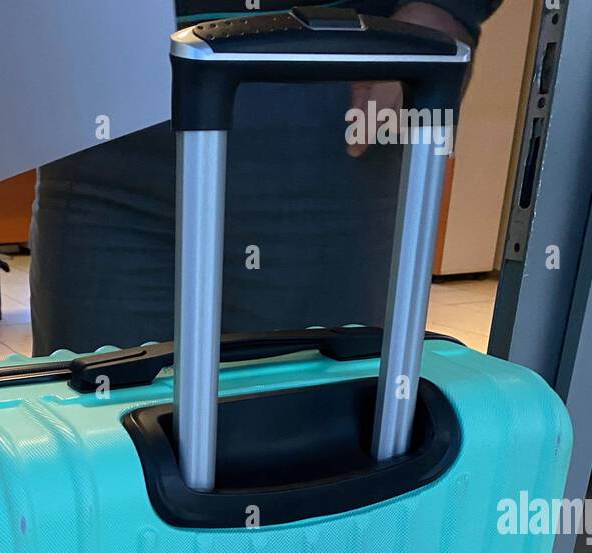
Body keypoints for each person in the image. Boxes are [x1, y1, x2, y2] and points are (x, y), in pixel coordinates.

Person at [29, 1, 505, 357]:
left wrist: (440, 13)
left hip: (318, 69)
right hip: (87, 82)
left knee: (300, 428)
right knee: (88, 433)